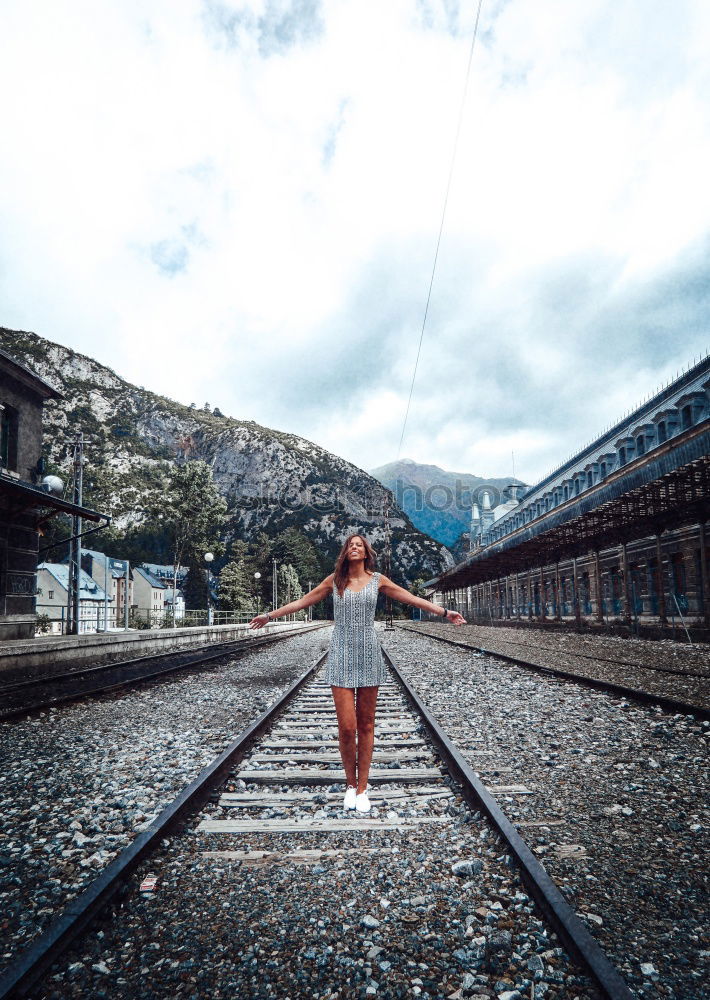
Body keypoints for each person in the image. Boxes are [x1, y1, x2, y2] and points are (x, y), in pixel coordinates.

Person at [250, 533, 465, 812]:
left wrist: (444, 611)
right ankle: (350, 785)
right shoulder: (334, 580)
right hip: (340, 653)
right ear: (345, 552)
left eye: (359, 545)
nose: (354, 547)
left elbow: (411, 598)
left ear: (366, 553)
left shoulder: (378, 580)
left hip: (368, 652)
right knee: (346, 726)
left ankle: (363, 788)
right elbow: (303, 601)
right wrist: (269, 616)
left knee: (366, 725)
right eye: (350, 545)